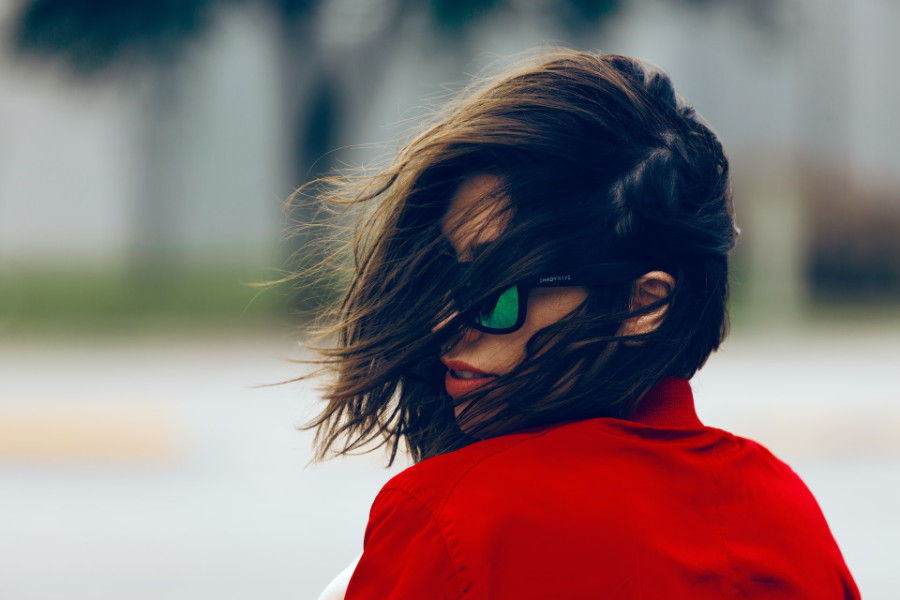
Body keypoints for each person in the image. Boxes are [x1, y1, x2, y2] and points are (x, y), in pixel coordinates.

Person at [305, 50, 860, 599]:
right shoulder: (787, 519)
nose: (446, 319)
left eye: (494, 287)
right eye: (443, 275)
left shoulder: (451, 521)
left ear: (642, 304)